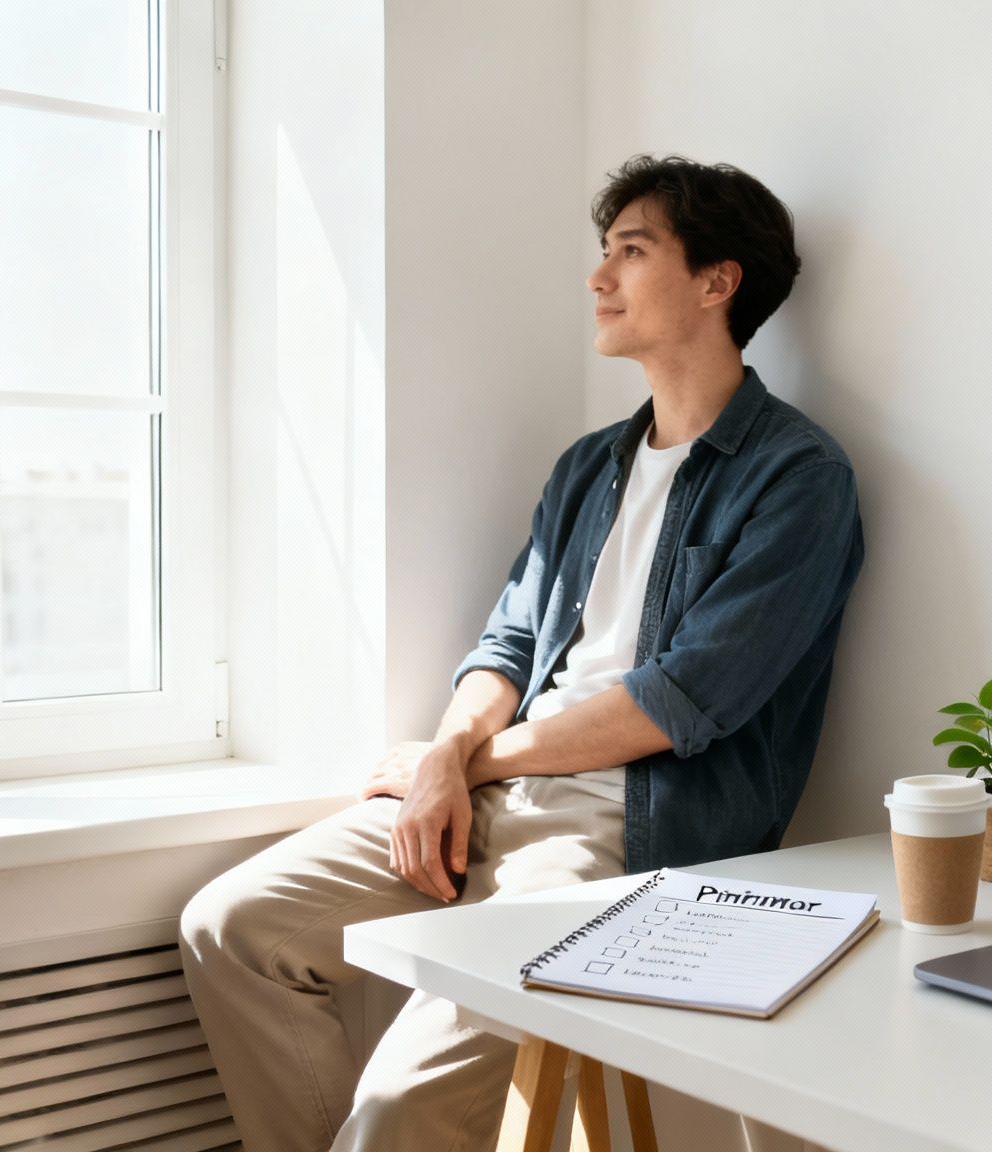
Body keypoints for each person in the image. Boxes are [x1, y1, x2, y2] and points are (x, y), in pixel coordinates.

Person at [179, 154, 865, 1152]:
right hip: (487, 796)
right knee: (231, 929)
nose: (597, 278)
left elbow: (677, 702)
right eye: (603, 254)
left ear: (717, 282)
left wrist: (452, 765)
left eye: (630, 254)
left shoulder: (798, 477)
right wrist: (447, 764)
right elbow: (504, 643)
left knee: (397, 1112)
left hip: (624, 835)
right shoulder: (589, 465)